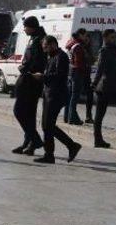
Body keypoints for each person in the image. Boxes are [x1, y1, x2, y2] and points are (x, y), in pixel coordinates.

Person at [33, 35, 82, 164]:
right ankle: (69, 147)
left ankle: (54, 153)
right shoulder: (52, 56)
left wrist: (43, 77)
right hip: (49, 94)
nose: (44, 50)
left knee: (48, 125)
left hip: (56, 95)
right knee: (46, 125)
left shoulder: (61, 56)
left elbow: (59, 76)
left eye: (46, 47)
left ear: (53, 44)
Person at [12, 16, 46, 156]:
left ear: (31, 26)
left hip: (31, 81)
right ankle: (29, 143)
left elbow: (38, 61)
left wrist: (25, 68)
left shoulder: (40, 40)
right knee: (29, 114)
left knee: (19, 111)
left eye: (25, 27)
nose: (24, 29)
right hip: (30, 80)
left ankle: (35, 140)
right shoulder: (35, 38)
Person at [92, 29, 116, 149]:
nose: (113, 40)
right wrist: (93, 84)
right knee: (99, 115)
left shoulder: (113, 50)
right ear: (105, 38)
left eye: (114, 37)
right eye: (111, 37)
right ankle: (98, 140)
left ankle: (99, 139)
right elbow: (99, 70)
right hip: (103, 86)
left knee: (101, 114)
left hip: (111, 86)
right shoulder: (104, 51)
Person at [64, 28, 92, 125]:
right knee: (74, 97)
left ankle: (67, 116)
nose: (86, 37)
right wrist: (84, 69)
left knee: (71, 95)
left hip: (72, 72)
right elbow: (79, 62)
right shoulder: (78, 46)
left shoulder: (72, 44)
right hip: (77, 73)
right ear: (80, 35)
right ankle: (72, 118)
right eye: (85, 35)